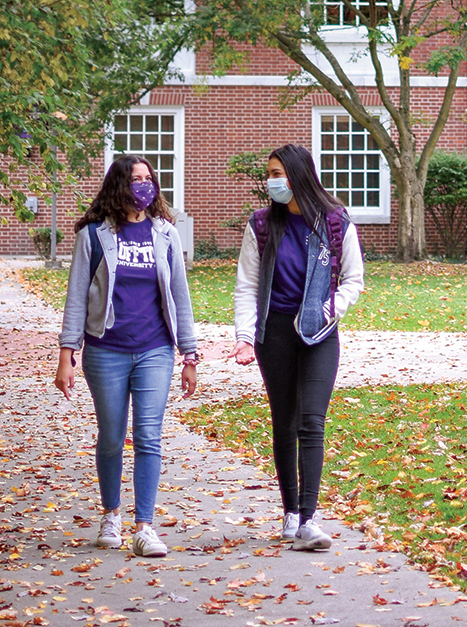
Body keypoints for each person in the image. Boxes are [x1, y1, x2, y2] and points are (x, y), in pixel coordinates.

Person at [55, 155, 199, 557]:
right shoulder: (94, 236)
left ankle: (145, 526)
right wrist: (66, 354)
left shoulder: (166, 234)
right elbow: (76, 298)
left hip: (155, 349)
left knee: (149, 437)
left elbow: (180, 298)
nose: (144, 186)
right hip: (106, 351)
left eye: (149, 179)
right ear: (119, 185)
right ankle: (111, 514)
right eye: (136, 179)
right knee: (113, 438)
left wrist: (189, 355)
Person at [227, 144, 364, 552]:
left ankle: (308, 519)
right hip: (276, 335)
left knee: (312, 421)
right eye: (269, 174)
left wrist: (329, 308)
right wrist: (244, 336)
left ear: (299, 176)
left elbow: (353, 280)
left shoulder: (335, 222)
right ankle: (289, 513)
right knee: (284, 421)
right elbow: (247, 286)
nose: (272, 182)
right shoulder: (262, 225)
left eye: (278, 174)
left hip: (320, 334)